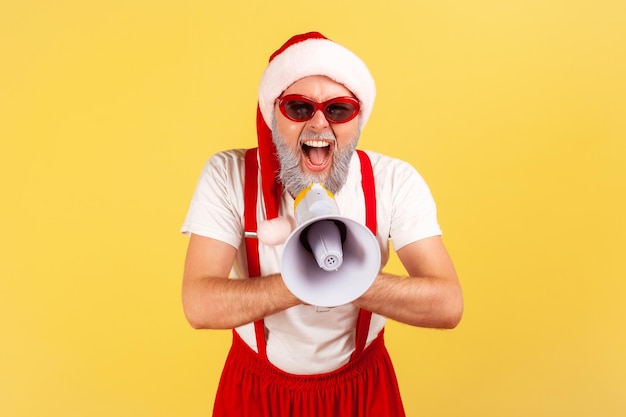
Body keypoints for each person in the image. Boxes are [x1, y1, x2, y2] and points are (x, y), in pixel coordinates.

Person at [181, 31, 463, 416]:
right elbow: (198, 305)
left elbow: (447, 305)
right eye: (298, 108)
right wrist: (301, 280)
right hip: (255, 391)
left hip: (361, 390)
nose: (318, 124)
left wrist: (348, 277)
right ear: (271, 114)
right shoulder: (227, 174)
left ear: (357, 117)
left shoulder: (394, 180)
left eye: (338, 109)